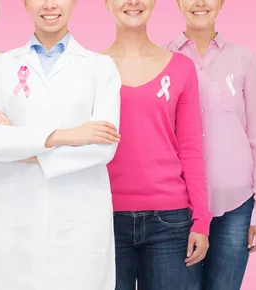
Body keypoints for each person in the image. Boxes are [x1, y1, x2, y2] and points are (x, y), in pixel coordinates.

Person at [0, 0, 122, 289]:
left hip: (79, 219)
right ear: (26, 4)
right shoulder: (0, 66)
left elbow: (103, 145)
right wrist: (67, 135)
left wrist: (21, 148)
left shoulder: (101, 67)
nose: (49, 5)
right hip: (17, 220)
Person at [101, 1, 212, 290]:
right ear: (107, 3)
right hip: (103, 216)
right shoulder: (91, 68)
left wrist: (201, 219)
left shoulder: (181, 68)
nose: (133, 2)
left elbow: (190, 148)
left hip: (170, 222)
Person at [165, 1, 256, 289]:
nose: (200, 3)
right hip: (179, 207)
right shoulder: (163, 58)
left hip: (236, 205)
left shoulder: (244, 60)